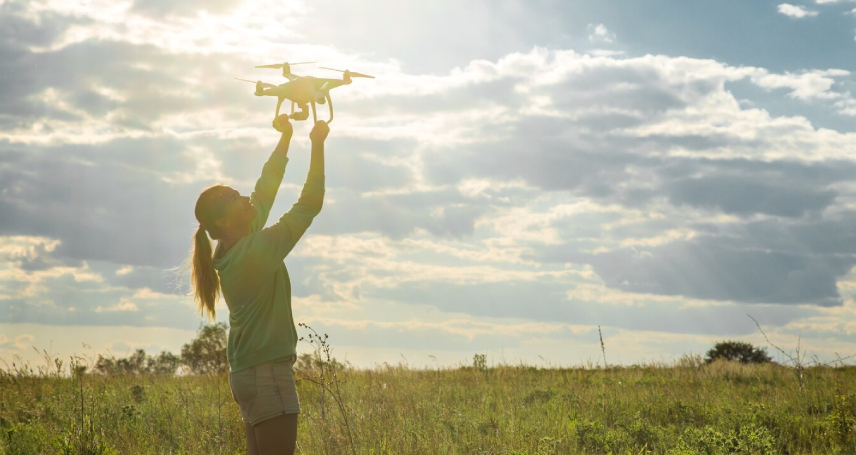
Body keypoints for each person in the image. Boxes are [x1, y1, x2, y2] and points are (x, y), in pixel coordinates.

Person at [189, 115, 328, 455]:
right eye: (236, 199)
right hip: (266, 376)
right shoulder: (253, 252)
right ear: (224, 220)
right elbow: (308, 206)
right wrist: (318, 143)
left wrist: (286, 137)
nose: (246, 198)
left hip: (247, 373)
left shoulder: (234, 245)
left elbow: (265, 188)